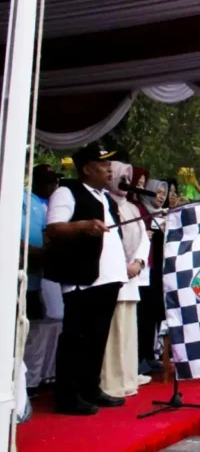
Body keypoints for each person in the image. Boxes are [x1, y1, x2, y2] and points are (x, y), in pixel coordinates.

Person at [45, 144, 128, 415]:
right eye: (103, 163)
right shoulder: (67, 191)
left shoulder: (106, 197)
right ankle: (68, 396)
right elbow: (54, 229)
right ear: (86, 168)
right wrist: (82, 227)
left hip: (108, 279)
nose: (109, 169)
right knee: (76, 337)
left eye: (110, 164)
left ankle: (90, 387)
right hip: (82, 279)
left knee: (97, 337)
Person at [100, 162, 151, 398]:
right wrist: (121, 267)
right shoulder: (102, 204)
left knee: (129, 332)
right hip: (110, 277)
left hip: (131, 278)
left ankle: (129, 379)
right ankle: (110, 383)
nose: (125, 183)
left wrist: (138, 264)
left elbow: (144, 240)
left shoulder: (132, 207)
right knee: (112, 333)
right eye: (122, 177)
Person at [22, 164, 61, 395]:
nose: (53, 185)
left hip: (39, 276)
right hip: (22, 271)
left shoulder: (49, 205)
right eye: (48, 181)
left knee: (35, 327)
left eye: (55, 181)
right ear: (35, 181)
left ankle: (33, 379)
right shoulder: (24, 199)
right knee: (23, 329)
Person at [137, 179, 168, 374]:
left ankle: (149, 355)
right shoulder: (140, 211)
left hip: (158, 272)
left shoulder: (161, 215)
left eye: (164, 193)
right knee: (143, 315)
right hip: (144, 270)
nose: (162, 196)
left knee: (154, 314)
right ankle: (139, 357)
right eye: (158, 192)